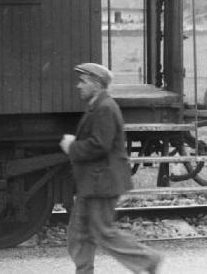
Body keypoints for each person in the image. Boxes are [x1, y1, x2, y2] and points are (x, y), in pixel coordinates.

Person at [60, 63, 163, 274]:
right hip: (93, 181)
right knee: (78, 233)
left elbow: (100, 145)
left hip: (102, 182)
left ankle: (148, 260)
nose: (78, 86)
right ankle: (84, 270)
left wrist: (72, 147)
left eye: (83, 82)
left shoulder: (105, 108)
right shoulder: (98, 106)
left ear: (96, 84)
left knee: (102, 232)